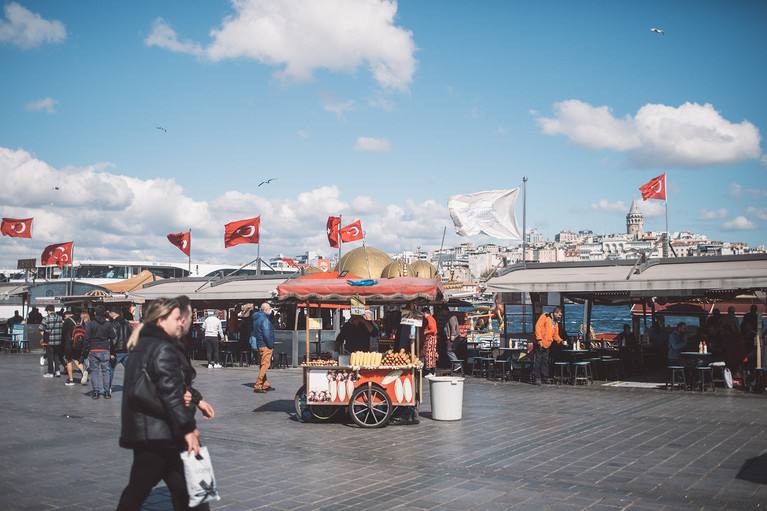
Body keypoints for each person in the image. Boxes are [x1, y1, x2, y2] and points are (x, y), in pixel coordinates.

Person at [117, 297, 214, 511]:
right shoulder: (161, 347)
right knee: (139, 491)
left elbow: (170, 384)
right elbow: (169, 391)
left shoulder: (147, 343)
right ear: (161, 321)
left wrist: (195, 399)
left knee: (188, 490)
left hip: (159, 430)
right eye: (176, 318)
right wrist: (188, 428)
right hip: (157, 433)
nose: (181, 323)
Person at [84, 305, 116, 399]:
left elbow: (87, 338)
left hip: (94, 349)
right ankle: (106, 392)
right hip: (105, 349)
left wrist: (85, 349)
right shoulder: (108, 324)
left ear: (95, 313)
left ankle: (95, 392)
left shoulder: (91, 324)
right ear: (104, 313)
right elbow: (113, 336)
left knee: (94, 371)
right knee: (106, 371)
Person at [533, 306, 563, 385]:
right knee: (538, 360)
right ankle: (537, 378)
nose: (560, 317)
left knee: (545, 360)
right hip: (539, 342)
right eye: (559, 315)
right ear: (555, 313)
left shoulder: (555, 323)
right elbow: (538, 327)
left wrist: (561, 341)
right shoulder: (545, 316)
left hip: (547, 343)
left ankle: (545, 377)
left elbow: (555, 335)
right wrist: (539, 339)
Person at [250, 302, 276, 393]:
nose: (270, 310)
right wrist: (271, 345)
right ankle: (258, 385)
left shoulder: (256, 319)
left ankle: (265, 384)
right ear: (266, 310)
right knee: (265, 365)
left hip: (260, 344)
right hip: (266, 345)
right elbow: (267, 334)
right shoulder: (265, 320)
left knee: (262, 364)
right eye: (269, 309)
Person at [108, 307, 134, 393]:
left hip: (117, 351)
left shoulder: (114, 324)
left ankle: (108, 388)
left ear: (112, 314)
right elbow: (132, 335)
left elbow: (114, 339)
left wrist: (111, 352)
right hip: (126, 350)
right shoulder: (127, 323)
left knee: (110, 369)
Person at [62, 308, 86, 386]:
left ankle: (71, 380)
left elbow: (64, 331)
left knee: (69, 361)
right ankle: (83, 371)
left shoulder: (68, 320)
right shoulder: (82, 321)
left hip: (69, 343)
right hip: (78, 344)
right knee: (77, 359)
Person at [39, 305, 63, 378]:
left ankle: (50, 372)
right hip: (58, 340)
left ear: (48, 311)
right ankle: (57, 371)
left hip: (49, 340)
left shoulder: (46, 318)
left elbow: (40, 328)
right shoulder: (60, 317)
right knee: (56, 355)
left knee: (50, 356)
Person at [419, 307, 438, 375]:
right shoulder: (430, 318)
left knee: (430, 355)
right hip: (428, 338)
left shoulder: (429, 319)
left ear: (425, 313)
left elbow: (433, 330)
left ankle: (431, 371)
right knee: (427, 354)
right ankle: (429, 370)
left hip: (430, 338)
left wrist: (426, 332)